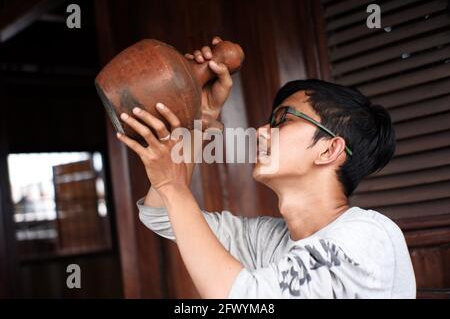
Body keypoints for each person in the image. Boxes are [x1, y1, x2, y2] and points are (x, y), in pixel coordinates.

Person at [116, 37, 416, 299]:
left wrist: (173, 185)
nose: (261, 131)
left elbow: (245, 298)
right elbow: (162, 216)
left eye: (283, 120)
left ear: (329, 149)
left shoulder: (368, 236)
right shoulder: (267, 238)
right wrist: (198, 120)